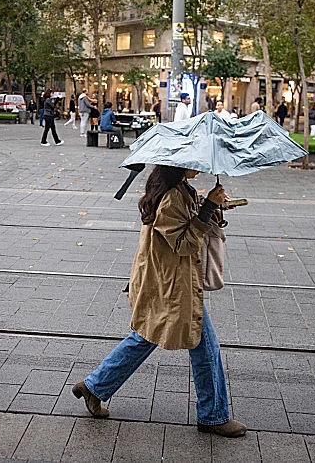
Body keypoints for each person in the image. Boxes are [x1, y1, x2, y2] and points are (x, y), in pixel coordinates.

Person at [73, 166, 247, 438]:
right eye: (194, 161)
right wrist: (207, 207)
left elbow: (183, 228)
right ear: (178, 164)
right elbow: (184, 243)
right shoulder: (171, 197)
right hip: (171, 284)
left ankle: (94, 387)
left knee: (147, 336)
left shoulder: (178, 190)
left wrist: (209, 209)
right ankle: (213, 416)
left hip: (168, 281)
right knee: (204, 345)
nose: (199, 166)